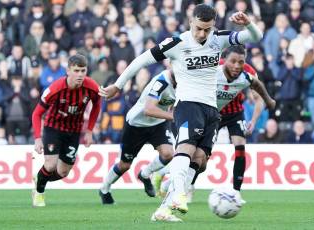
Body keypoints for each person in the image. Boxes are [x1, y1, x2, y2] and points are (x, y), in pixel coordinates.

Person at [98, 4, 268, 222]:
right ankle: (178, 193)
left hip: (211, 110)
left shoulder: (219, 39)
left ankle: (164, 210)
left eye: (207, 29)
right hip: (188, 104)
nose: (202, 34)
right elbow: (142, 60)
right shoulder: (177, 43)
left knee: (201, 160)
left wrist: (248, 23)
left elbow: (256, 36)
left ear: (213, 26)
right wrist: (118, 85)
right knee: (185, 150)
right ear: (190, 22)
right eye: (198, 28)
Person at [152, 45, 275, 221]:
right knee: (189, 155)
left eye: (241, 61)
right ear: (224, 60)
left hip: (215, 117)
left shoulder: (245, 75)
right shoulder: (211, 70)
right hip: (192, 112)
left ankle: (168, 187)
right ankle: (171, 200)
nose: (237, 65)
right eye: (233, 61)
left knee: (201, 162)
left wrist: (269, 101)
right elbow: (176, 75)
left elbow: (257, 84)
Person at [31, 54, 101, 207]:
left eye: (83, 71)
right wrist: (37, 138)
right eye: (76, 71)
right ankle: (39, 193)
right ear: (68, 71)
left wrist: (89, 130)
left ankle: (39, 178)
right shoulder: (54, 89)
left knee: (63, 172)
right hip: (53, 128)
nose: (80, 75)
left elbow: (97, 106)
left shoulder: (91, 87)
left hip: (74, 132)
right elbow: (36, 114)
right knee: (50, 165)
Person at [98, 69, 176, 205]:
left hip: (159, 123)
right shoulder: (161, 81)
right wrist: (173, 116)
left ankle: (145, 174)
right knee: (124, 165)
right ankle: (104, 189)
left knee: (168, 154)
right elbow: (148, 109)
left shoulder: (186, 81)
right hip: (136, 124)